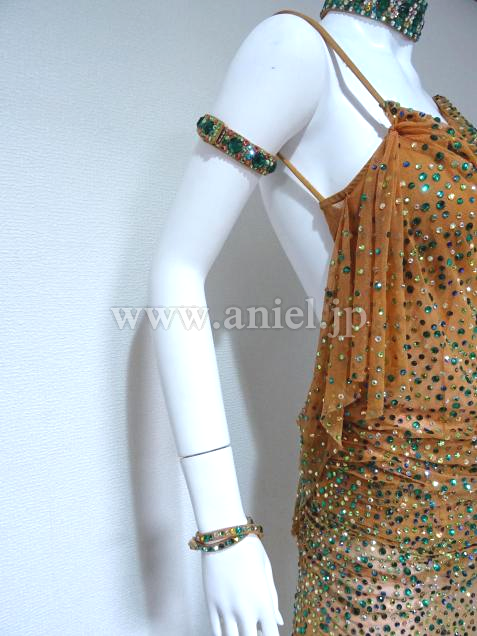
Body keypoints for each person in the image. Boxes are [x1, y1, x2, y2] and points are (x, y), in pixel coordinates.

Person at [150, 2, 477, 633]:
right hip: (380, 515)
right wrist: (223, 530)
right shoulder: (299, 51)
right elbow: (177, 269)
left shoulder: (437, 104)